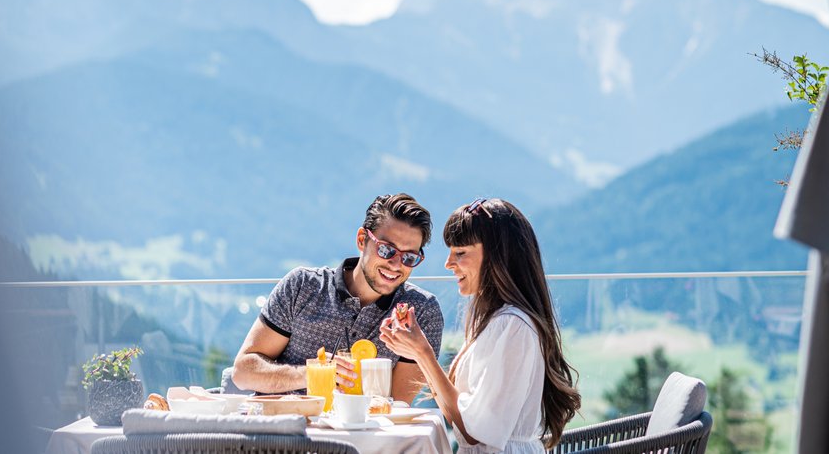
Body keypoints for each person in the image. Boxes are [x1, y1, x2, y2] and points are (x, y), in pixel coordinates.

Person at [380, 198, 580, 453]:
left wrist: (423, 353)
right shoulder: (494, 320)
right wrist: (417, 353)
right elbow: (460, 418)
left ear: (499, 257)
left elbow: (475, 435)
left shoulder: (513, 326)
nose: (448, 264)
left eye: (460, 253)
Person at [232, 193, 444, 403]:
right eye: (387, 250)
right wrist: (311, 373)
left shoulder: (421, 312)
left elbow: (397, 405)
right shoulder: (302, 286)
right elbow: (242, 372)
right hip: (284, 430)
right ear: (362, 240)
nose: (397, 265)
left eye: (409, 257)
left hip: (364, 435)